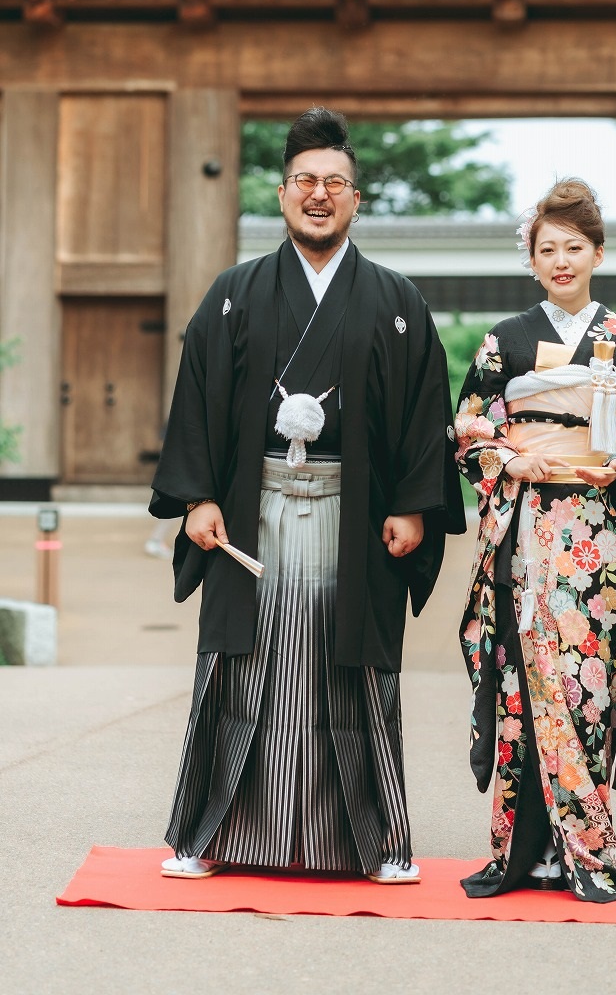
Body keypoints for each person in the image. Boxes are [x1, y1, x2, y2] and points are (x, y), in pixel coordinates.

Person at [150, 107, 465, 884]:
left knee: (349, 664)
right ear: (282, 194)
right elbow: (195, 399)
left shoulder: (396, 302)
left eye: (334, 182)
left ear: (356, 199)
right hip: (250, 508)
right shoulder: (235, 292)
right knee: (240, 664)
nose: (318, 194)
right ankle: (209, 835)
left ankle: (378, 843)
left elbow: (429, 412)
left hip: (352, 513)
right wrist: (196, 497)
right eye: (304, 181)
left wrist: (415, 506)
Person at [455, 178, 616, 900]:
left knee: (583, 682)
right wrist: (509, 456)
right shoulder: (504, 340)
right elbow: (468, 427)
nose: (560, 259)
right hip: (524, 524)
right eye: (546, 248)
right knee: (526, 680)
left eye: (572, 247)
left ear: (597, 253)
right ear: (531, 257)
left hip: (594, 531)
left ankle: (584, 847)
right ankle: (526, 852)